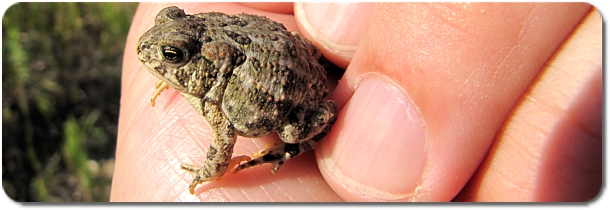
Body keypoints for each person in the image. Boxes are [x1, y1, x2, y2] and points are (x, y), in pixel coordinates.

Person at [110, 2, 601, 202]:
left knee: (299, 128)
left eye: (172, 57)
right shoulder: (205, 60)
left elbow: (221, 146)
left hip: (297, 101)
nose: (158, 57)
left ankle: (286, 148)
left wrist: (213, 171)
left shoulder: (217, 103)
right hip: (292, 55)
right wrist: (173, 73)